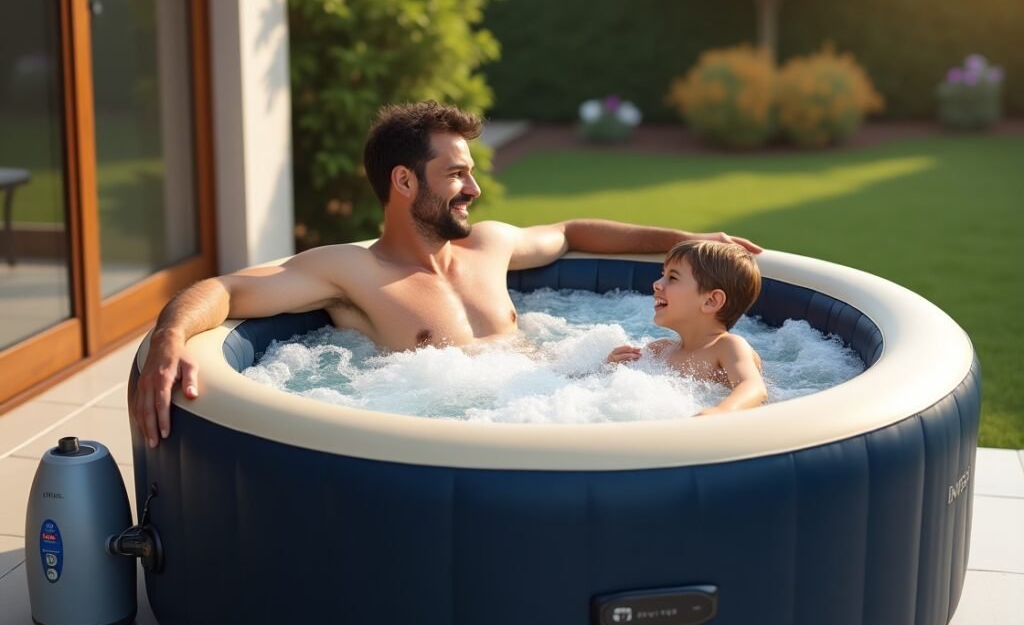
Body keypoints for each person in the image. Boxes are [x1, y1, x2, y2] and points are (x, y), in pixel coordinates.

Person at [133, 102, 762, 446]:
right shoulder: (351, 270)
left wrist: (688, 241)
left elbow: (572, 233)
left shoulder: (489, 245)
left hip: (568, 406)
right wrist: (168, 338)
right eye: (456, 174)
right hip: (458, 438)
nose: (475, 188)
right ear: (404, 182)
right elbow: (225, 290)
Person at [606, 239, 767, 415]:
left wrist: (721, 411)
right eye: (663, 274)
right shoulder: (659, 349)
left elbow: (753, 387)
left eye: (672, 278)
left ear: (710, 301)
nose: (657, 284)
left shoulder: (727, 346)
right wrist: (611, 366)